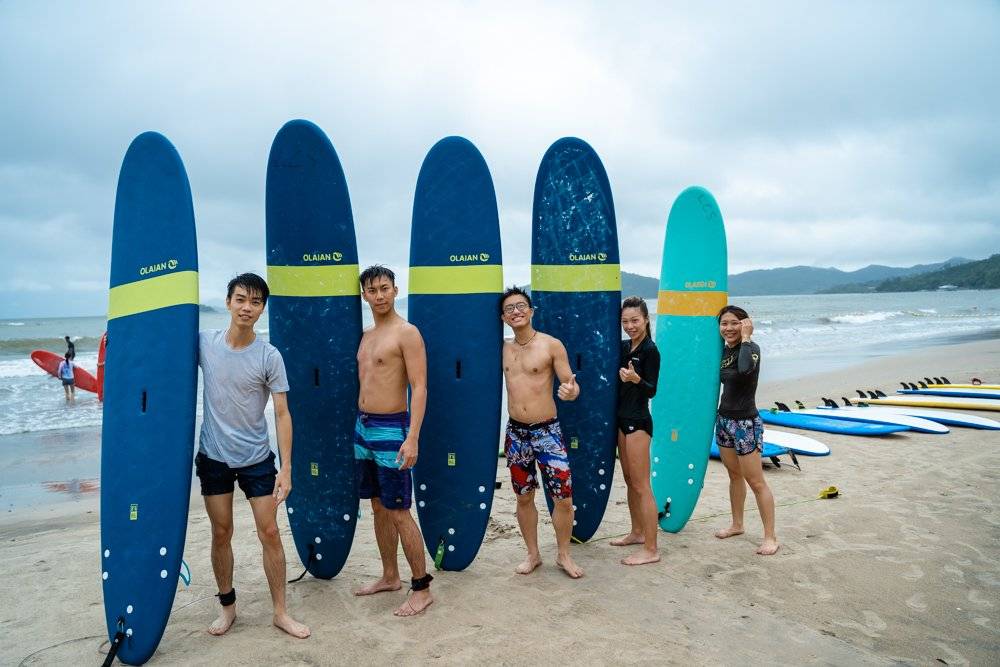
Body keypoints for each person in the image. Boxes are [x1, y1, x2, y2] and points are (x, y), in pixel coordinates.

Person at [196, 273, 310, 638]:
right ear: (228, 301)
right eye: (241, 299)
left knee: (271, 532)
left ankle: (280, 612)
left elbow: (282, 413)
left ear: (262, 309)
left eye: (256, 301)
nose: (247, 307)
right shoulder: (204, 344)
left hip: (257, 458)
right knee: (221, 532)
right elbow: (160, 357)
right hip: (213, 456)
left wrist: (287, 467)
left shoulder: (268, 355)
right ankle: (227, 607)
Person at [352, 265, 434, 617]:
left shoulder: (407, 333)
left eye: (385, 288)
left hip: (393, 428)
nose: (380, 295)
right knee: (377, 506)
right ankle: (390, 576)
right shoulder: (366, 335)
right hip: (363, 428)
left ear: (395, 290)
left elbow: (420, 387)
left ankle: (422, 587)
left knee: (400, 510)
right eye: (373, 290)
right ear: (364, 295)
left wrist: (412, 436)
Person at [499, 287, 584, 579]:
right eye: (509, 309)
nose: (516, 312)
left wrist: (570, 392)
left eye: (521, 306)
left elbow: (570, 384)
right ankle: (533, 554)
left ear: (532, 311)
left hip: (548, 432)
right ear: (503, 317)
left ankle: (563, 555)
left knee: (563, 498)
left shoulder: (551, 345)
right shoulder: (503, 349)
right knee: (524, 496)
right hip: (516, 434)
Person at [713, 305, 778, 556]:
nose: (728, 328)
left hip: (746, 423)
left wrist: (747, 338)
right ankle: (737, 524)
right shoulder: (723, 351)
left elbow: (744, 370)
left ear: (745, 324)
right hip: (725, 421)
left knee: (756, 481)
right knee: (734, 475)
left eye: (734, 323)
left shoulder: (751, 349)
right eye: (724, 324)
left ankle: (770, 537)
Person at [610, 296, 661, 565]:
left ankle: (651, 549)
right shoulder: (624, 347)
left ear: (646, 319)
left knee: (642, 485)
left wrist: (635, 378)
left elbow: (652, 389)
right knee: (630, 481)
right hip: (621, 419)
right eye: (625, 321)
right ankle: (637, 532)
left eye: (635, 320)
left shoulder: (650, 350)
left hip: (638, 422)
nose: (630, 325)